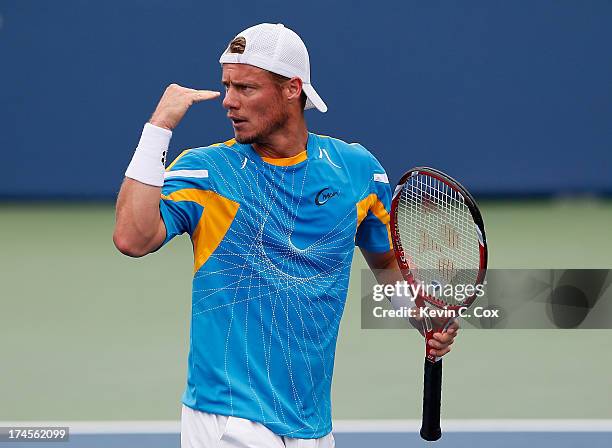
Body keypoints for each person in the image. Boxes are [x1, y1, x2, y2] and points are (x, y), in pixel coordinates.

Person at [113, 23, 458, 448]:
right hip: (228, 417)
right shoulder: (207, 171)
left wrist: (421, 315)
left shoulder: (357, 171)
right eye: (227, 87)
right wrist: (158, 127)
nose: (229, 102)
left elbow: (386, 263)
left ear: (292, 89)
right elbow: (132, 237)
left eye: (246, 88)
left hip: (311, 423)